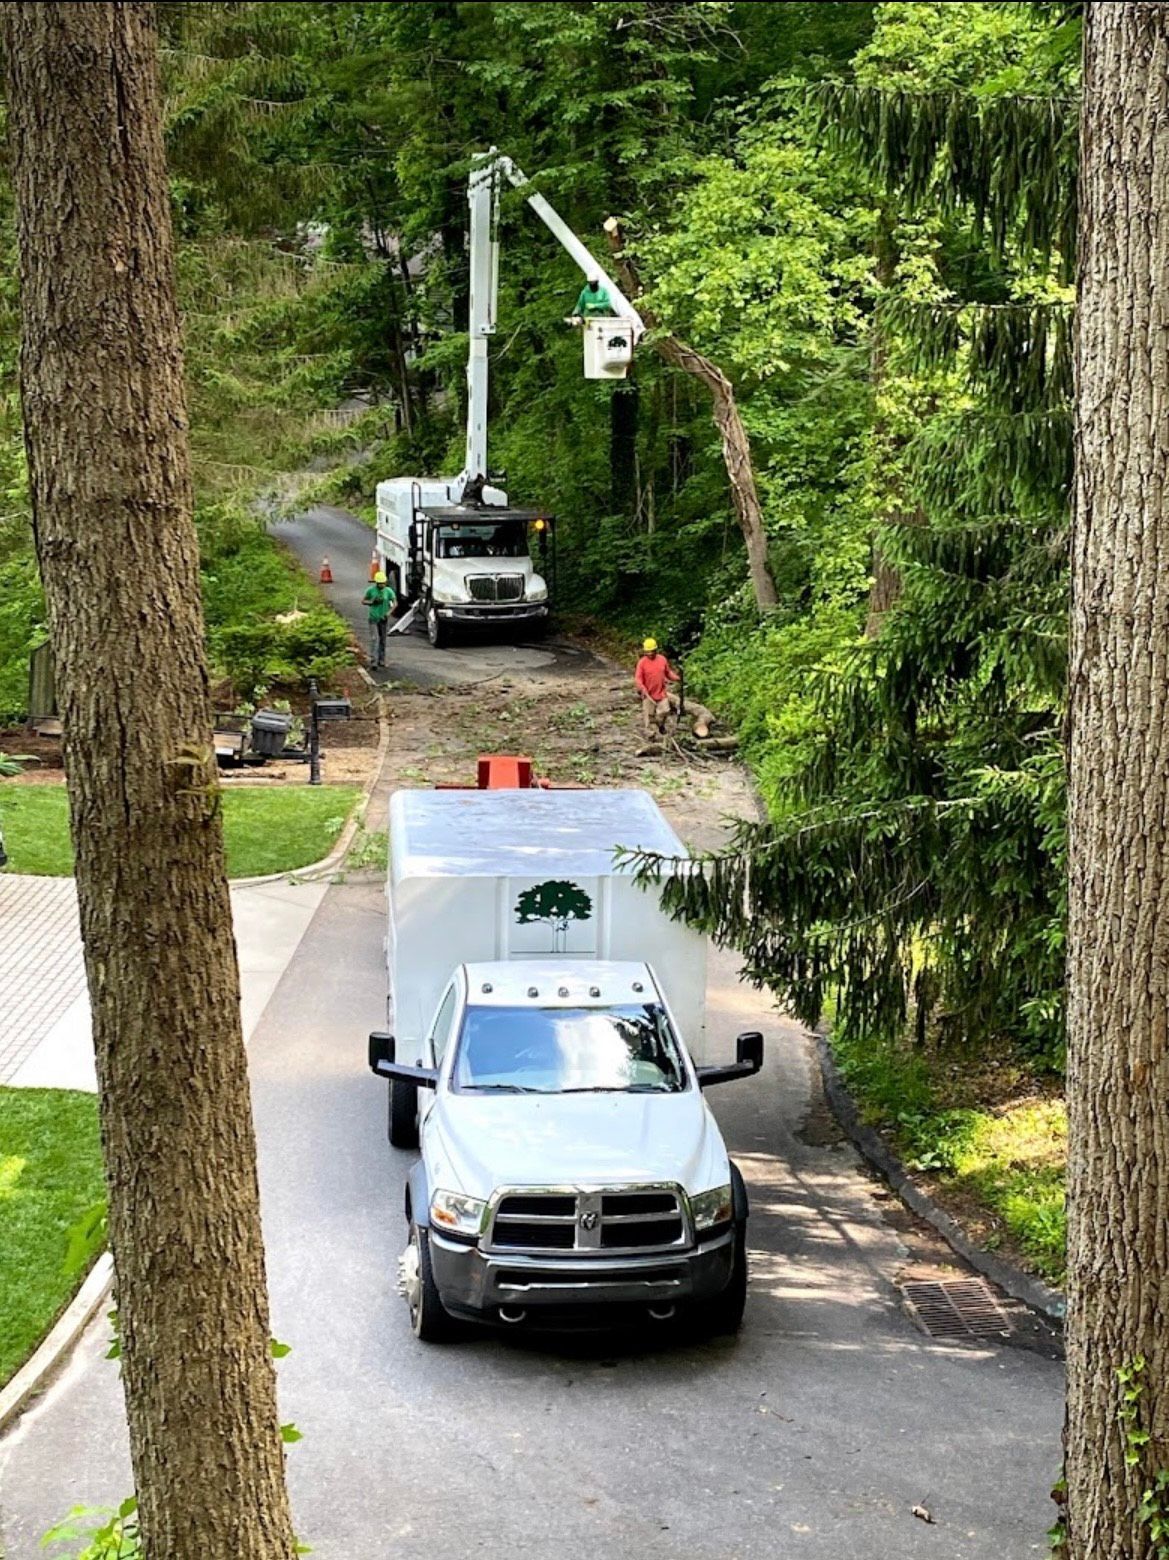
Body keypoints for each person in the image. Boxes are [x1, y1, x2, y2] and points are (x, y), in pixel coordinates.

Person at [635, 637, 680, 736]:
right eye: (648, 652)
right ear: (645, 651)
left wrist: (677, 678)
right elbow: (638, 678)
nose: (650, 654)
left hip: (661, 692)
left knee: (664, 711)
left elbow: (668, 673)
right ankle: (651, 734)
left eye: (652, 651)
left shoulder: (662, 659)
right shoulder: (642, 663)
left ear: (656, 650)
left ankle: (661, 725)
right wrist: (642, 689)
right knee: (649, 716)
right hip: (648, 694)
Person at [362, 569, 396, 668]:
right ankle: (373, 661)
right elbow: (363, 601)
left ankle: (382, 660)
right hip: (373, 618)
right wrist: (372, 602)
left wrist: (389, 613)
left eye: (383, 583)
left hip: (383, 618)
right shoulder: (371, 590)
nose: (382, 585)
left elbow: (395, 603)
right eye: (380, 583)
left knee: (383, 640)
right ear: (376, 583)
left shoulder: (388, 591)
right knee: (374, 639)